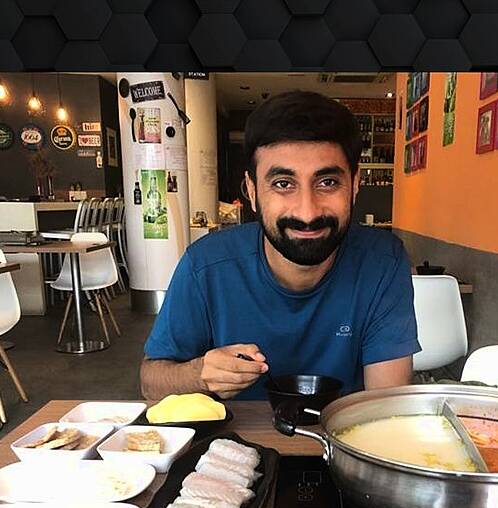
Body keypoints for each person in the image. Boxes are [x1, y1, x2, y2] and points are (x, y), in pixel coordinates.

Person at [140, 91, 421, 401]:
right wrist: (198, 374)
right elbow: (151, 382)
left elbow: (387, 405)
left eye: (327, 182)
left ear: (354, 185)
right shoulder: (205, 264)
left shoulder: (382, 262)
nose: (307, 212)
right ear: (252, 190)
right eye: (283, 184)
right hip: (226, 445)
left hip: (344, 440)